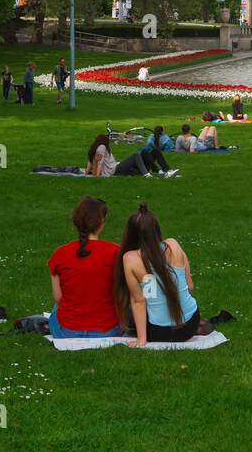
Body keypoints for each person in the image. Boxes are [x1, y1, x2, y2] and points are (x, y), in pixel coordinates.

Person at [113, 202, 214, 345]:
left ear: (130, 234)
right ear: (156, 229)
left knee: (136, 306)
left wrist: (142, 339)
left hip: (158, 332)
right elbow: (189, 287)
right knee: (153, 284)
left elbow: (138, 302)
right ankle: (195, 324)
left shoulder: (130, 259)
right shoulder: (173, 245)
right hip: (190, 324)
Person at [47, 196, 122, 338]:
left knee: (57, 307)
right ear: (101, 223)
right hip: (107, 330)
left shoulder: (60, 253)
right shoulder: (115, 252)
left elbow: (58, 297)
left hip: (67, 331)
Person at [87, 133, 177, 178]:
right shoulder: (101, 148)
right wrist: (96, 173)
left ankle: (165, 171)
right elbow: (98, 169)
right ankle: (146, 174)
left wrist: (89, 169)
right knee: (135, 155)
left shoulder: (93, 151)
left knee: (149, 151)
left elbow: (87, 171)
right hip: (114, 170)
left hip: (118, 166)